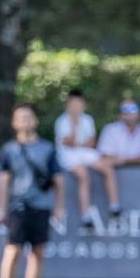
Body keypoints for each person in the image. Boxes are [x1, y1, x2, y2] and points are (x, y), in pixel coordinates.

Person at [0, 104, 64, 278]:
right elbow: (4, 181)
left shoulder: (47, 149)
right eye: (20, 118)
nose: (24, 121)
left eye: (28, 117)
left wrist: (59, 208)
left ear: (35, 121)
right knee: (12, 250)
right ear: (14, 123)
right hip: (17, 206)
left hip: (40, 206)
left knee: (37, 252)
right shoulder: (8, 150)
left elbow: (58, 181)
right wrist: (1, 210)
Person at [54, 88, 120, 231]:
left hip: (85, 152)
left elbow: (91, 142)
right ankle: (86, 217)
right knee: (83, 175)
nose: (76, 107)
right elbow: (69, 142)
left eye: (79, 104)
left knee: (108, 168)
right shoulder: (62, 121)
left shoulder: (88, 120)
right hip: (68, 155)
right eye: (73, 104)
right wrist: (74, 124)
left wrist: (80, 144)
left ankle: (114, 207)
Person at [97, 98, 140, 218]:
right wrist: (134, 159)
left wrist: (122, 160)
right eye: (125, 110)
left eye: (133, 110)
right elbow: (106, 157)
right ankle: (114, 205)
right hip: (116, 183)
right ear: (120, 114)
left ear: (139, 113)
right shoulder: (110, 131)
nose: (130, 114)